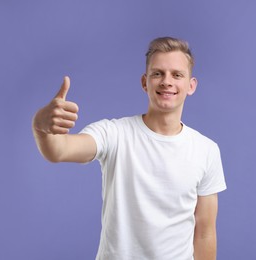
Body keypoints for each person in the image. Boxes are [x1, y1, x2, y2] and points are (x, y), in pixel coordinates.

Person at [32, 37, 227, 260]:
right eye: (157, 73)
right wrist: (40, 125)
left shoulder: (206, 150)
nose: (166, 81)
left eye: (177, 74)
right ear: (145, 82)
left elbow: (204, 233)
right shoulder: (114, 134)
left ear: (190, 85)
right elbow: (58, 150)